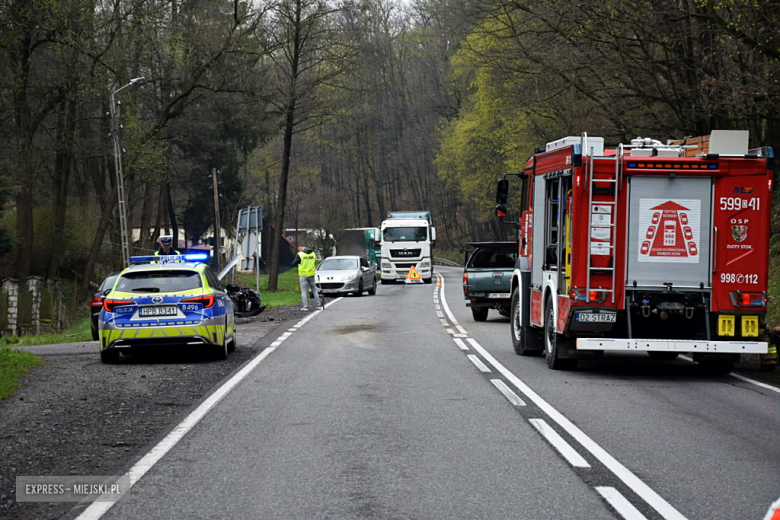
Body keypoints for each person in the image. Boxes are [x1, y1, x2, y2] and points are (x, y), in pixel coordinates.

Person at [292, 245, 321, 311]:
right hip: (311, 274)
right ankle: (319, 305)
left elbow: (293, 263)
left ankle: (305, 307)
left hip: (303, 275)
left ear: (300, 248)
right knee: (314, 290)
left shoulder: (300, 254)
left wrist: (299, 265)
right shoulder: (313, 254)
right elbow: (314, 262)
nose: (299, 250)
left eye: (299, 249)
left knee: (304, 291)